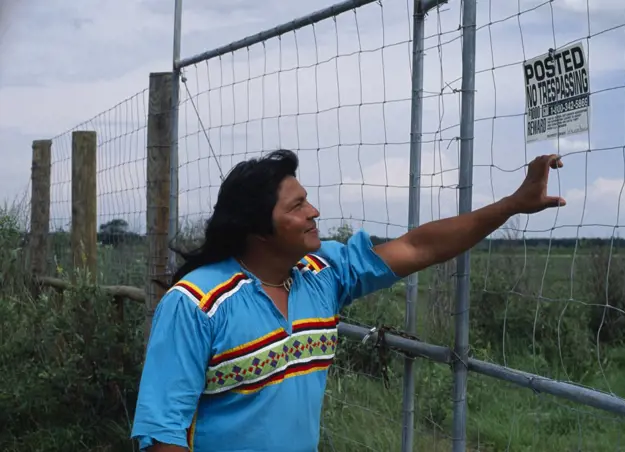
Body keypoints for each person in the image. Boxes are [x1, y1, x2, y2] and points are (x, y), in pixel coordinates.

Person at [131, 149, 565, 452]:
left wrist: (511, 205)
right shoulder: (196, 303)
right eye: (297, 206)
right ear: (258, 229)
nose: (314, 212)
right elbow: (162, 434)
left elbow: (418, 248)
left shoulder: (324, 276)